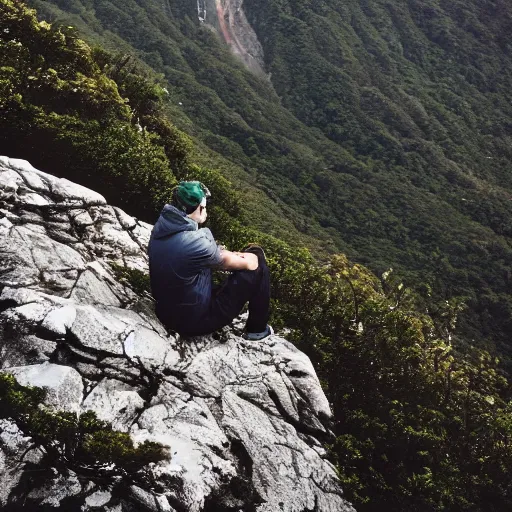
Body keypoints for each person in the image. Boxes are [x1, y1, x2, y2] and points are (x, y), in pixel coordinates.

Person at [148, 181, 273, 340]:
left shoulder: (161, 227)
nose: (206, 211)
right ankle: (257, 330)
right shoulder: (196, 243)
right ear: (199, 209)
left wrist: (228, 254)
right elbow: (250, 264)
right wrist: (253, 255)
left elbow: (207, 254)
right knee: (259, 264)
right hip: (193, 321)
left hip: (167, 311)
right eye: (204, 208)